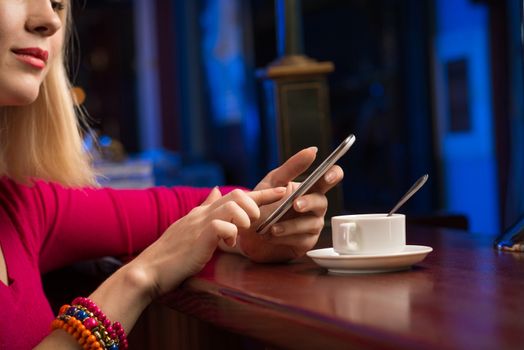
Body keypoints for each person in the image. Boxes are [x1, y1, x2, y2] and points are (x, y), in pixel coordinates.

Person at [0, 1, 344, 349]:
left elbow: (184, 207)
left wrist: (257, 222)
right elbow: (166, 247)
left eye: (58, 4)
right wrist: (141, 276)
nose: (49, 20)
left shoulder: (21, 207)